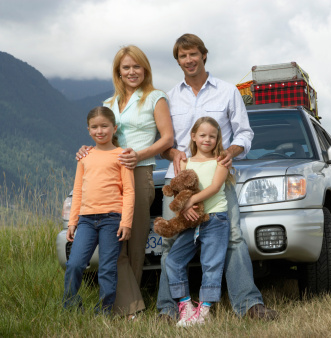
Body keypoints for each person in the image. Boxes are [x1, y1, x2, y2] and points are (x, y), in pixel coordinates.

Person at [157, 33, 278, 321]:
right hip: (179, 185)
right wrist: (172, 153)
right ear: (178, 61)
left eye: (193, 54)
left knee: (234, 239)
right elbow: (162, 141)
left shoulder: (227, 91)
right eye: (182, 56)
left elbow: (245, 133)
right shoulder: (170, 97)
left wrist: (232, 151)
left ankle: (248, 305)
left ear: (203, 55)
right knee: (170, 244)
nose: (188, 60)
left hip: (217, 183)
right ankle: (168, 309)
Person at [76, 45, 174, 318]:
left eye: (136, 67)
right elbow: (102, 135)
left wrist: (139, 154)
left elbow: (167, 138)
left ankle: (126, 308)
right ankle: (129, 307)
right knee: (112, 244)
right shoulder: (108, 104)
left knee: (134, 242)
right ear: (118, 72)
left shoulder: (156, 98)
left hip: (140, 173)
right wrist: (87, 150)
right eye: (126, 68)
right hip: (108, 178)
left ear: (145, 69)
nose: (131, 72)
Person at [63, 107, 135, 315]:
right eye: (94, 127)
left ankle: (104, 311)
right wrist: (72, 222)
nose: (100, 131)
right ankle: (70, 307)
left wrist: (126, 222)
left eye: (104, 126)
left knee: (107, 268)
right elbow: (78, 191)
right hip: (85, 220)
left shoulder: (121, 155)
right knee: (75, 264)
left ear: (114, 128)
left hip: (112, 220)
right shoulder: (84, 157)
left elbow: (129, 191)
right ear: (88, 130)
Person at [166, 116, 231, 326]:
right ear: (193, 136)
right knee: (174, 259)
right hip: (191, 221)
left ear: (217, 139)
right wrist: (185, 208)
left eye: (212, 136)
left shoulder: (220, 161)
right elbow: (180, 189)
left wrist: (189, 201)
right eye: (202, 135)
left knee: (211, 264)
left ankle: (204, 311)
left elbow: (213, 187)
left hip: (215, 218)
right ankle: (185, 306)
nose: (207, 139)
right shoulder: (185, 161)